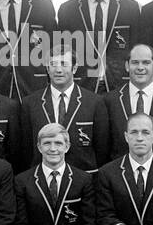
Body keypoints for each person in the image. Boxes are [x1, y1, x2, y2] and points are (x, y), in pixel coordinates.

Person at [55, 0, 142, 94]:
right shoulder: (68, 10)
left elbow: (137, 48)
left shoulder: (130, 8)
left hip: (120, 84)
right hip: (82, 84)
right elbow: (61, 51)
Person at [21, 46, 110, 174]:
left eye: (63, 64)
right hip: (42, 179)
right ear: (47, 68)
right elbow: (26, 149)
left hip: (84, 178)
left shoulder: (94, 102)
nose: (58, 70)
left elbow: (102, 149)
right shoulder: (30, 103)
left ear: (74, 68)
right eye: (53, 64)